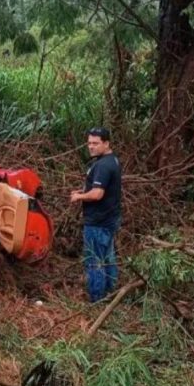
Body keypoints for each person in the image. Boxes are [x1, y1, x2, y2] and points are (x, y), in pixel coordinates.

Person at [70, 127, 122, 302]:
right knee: (108, 257)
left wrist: (79, 196)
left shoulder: (102, 165)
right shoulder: (112, 160)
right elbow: (102, 190)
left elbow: (97, 194)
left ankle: (96, 298)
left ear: (106, 143)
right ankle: (111, 292)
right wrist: (85, 190)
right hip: (109, 218)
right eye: (89, 143)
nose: (91, 147)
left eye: (95, 143)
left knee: (94, 260)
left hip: (98, 222)